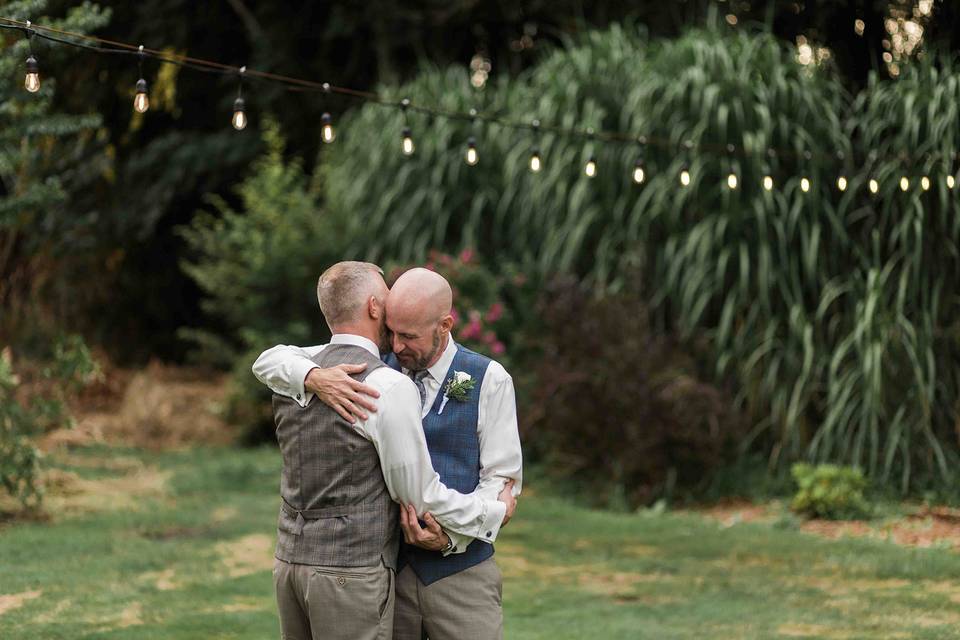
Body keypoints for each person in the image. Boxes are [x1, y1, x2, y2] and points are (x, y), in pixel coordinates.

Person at [254, 266, 523, 640]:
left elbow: (501, 479)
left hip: (461, 576)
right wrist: (313, 377)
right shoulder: (371, 370)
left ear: (444, 325)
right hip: (387, 574)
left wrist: (450, 540)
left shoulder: (490, 379)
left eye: (408, 336)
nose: (396, 346)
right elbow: (272, 359)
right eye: (392, 331)